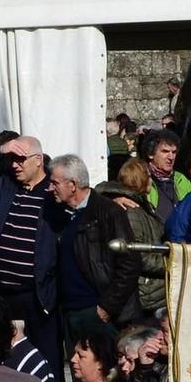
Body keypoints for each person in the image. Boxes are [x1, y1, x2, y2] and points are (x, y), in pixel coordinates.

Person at [0, 134, 68, 382]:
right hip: (0, 291)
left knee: (46, 358)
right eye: (12, 159)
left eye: (21, 159)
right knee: (1, 356)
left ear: (38, 160)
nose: (15, 165)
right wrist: (0, 150)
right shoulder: (5, 185)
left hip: (36, 294)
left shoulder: (52, 191)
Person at [75, 158, 167, 334]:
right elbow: (137, 252)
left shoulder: (139, 205)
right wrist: (168, 263)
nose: (151, 180)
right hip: (144, 292)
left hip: (148, 291)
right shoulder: (131, 211)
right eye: (148, 175)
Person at [48, 154, 107, 360]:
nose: (50, 188)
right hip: (70, 309)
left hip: (94, 309)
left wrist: (108, 306)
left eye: (55, 183)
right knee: (79, 372)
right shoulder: (64, 215)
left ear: (72, 185)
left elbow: (126, 262)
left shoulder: (105, 212)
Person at [135, 128, 191, 227]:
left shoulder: (181, 179)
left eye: (174, 152)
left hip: (179, 239)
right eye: (165, 151)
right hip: (151, 239)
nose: (171, 157)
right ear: (150, 154)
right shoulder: (139, 176)